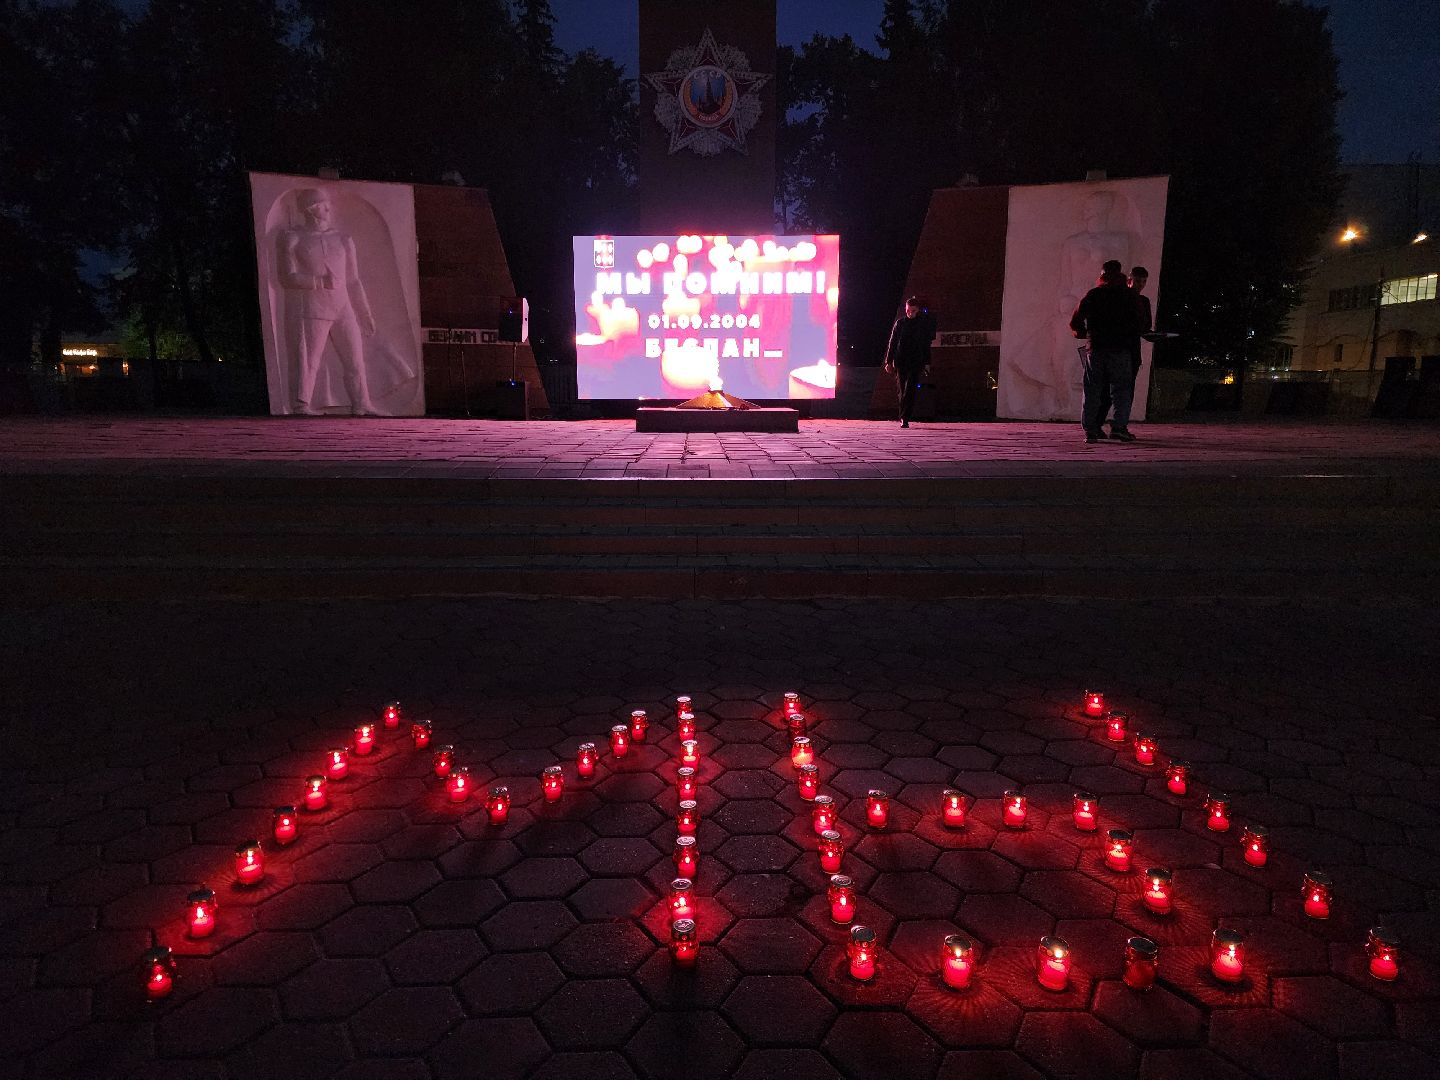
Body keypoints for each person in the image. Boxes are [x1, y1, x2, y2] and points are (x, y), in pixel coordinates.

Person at [279, 188, 378, 415]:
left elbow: (353, 280)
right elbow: (288, 277)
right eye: (323, 205)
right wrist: (319, 281)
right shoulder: (293, 238)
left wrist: (365, 313)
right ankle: (301, 405)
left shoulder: (343, 239)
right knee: (309, 359)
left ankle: (361, 403)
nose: (328, 209)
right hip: (314, 308)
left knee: (355, 359)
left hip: (343, 308)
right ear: (311, 209)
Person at [1069, 261, 1139, 443]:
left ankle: (1090, 429)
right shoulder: (1129, 296)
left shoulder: (1094, 295)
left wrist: (1085, 334)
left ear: (1103, 274)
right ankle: (1118, 427)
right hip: (1121, 348)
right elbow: (1140, 322)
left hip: (1097, 348)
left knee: (1092, 389)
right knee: (1121, 389)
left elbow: (1075, 321)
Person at [1094, 264, 1153, 436]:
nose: (1140, 285)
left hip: (1127, 348)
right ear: (1128, 280)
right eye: (1137, 281)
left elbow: (1145, 326)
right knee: (1115, 390)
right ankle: (1114, 426)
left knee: (1118, 389)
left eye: (1143, 281)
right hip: (1123, 348)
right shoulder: (1127, 299)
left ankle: (1108, 425)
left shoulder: (1142, 301)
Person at [884, 296, 936, 428]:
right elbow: (893, 342)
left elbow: (926, 344)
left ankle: (905, 417)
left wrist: (927, 363)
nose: (910, 313)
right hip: (901, 361)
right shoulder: (900, 323)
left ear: (917, 310)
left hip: (916, 361)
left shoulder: (922, 324)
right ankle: (903, 417)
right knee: (901, 389)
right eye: (908, 310)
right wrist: (888, 361)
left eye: (913, 310)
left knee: (910, 389)